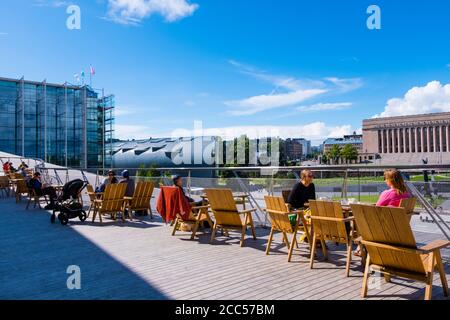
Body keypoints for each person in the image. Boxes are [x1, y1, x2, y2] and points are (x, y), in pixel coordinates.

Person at [287, 170, 316, 243]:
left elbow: (313, 200)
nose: (312, 177)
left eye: (312, 176)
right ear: (303, 177)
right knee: (316, 220)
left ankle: (312, 238)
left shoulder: (312, 186)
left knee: (321, 216)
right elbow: (290, 201)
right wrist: (303, 204)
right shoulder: (298, 186)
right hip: (299, 213)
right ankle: (311, 239)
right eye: (309, 176)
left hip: (308, 210)